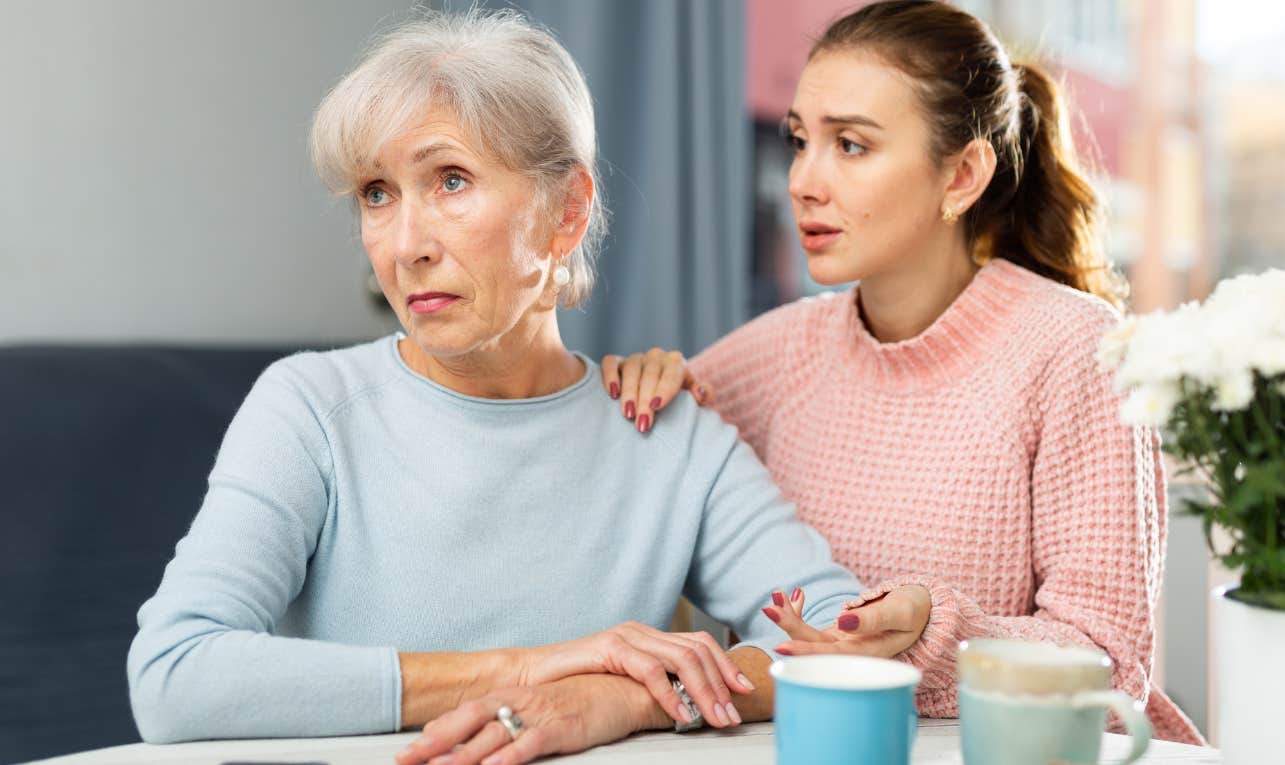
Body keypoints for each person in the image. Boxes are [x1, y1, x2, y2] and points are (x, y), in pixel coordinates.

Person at [125, 11, 928, 765]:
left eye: (449, 180)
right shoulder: (309, 408)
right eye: (377, 193)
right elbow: (172, 673)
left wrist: (623, 698)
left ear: (567, 211)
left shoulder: (664, 429)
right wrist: (536, 669)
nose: (405, 245)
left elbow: (835, 632)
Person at [603, 0, 1203, 745]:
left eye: (851, 146)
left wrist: (933, 627)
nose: (802, 181)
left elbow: (1112, 666)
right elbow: (631, 459)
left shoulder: (1076, 349)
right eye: (800, 141)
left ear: (962, 176)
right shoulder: (778, 352)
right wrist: (644, 382)